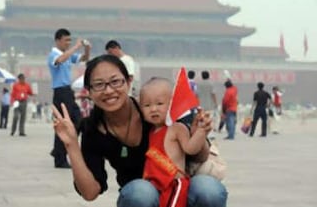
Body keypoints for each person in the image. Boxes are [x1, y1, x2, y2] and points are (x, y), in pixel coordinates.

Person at [51, 54, 227, 207]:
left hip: (180, 188)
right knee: (140, 192)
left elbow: (200, 156)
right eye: (99, 85)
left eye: (115, 81)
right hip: (141, 197)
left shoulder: (158, 108)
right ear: (88, 91)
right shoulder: (94, 130)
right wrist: (71, 144)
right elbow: (90, 193)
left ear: (128, 81)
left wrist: (200, 133)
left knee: (208, 190)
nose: (109, 90)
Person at [140, 77, 209, 207]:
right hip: (155, 185)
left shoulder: (176, 128)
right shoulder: (150, 131)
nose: (153, 109)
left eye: (159, 104)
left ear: (172, 104)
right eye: (147, 105)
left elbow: (190, 148)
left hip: (174, 184)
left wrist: (201, 132)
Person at [47, 28, 91, 168]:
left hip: (68, 91)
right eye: (66, 40)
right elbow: (60, 60)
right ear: (58, 40)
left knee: (78, 121)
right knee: (64, 124)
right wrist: (76, 46)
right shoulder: (54, 54)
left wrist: (87, 49)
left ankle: (58, 150)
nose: (68, 43)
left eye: (70, 41)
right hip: (60, 92)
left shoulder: (66, 54)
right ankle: (59, 158)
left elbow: (83, 59)